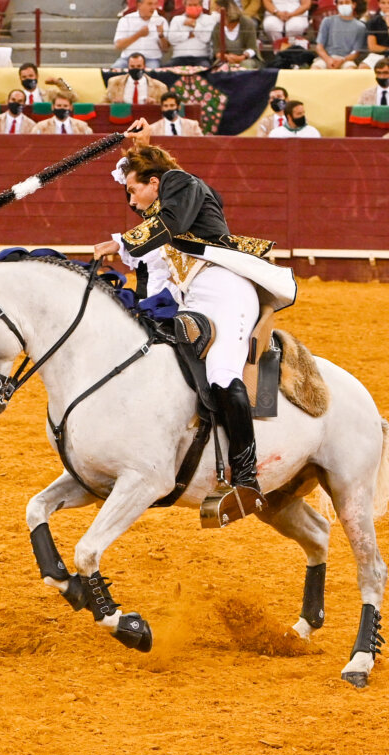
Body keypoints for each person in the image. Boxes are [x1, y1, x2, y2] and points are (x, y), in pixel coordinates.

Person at [92, 126, 298, 509]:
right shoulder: (168, 197)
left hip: (226, 289)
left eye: (133, 190)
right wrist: (141, 148)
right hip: (193, 295)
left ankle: (246, 478)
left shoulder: (180, 182)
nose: (131, 201)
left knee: (222, 374)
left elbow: (168, 221)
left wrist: (122, 242)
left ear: (155, 183)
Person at [112, 0, 168, 68]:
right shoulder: (126, 20)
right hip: (128, 59)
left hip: (151, 59)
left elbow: (165, 49)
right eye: (150, 4)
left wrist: (161, 35)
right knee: (114, 69)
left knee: (152, 71)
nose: (153, 7)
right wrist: (138, 35)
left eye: (155, 4)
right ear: (139, 5)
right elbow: (118, 46)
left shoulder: (161, 21)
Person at [312, 0, 366, 68]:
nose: (344, 5)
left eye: (347, 2)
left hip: (346, 60)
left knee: (351, 69)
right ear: (337, 5)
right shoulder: (327, 21)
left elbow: (356, 52)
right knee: (315, 68)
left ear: (354, 5)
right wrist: (328, 60)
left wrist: (342, 60)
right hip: (325, 58)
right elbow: (319, 47)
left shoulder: (360, 27)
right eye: (341, 3)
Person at [101, 53, 169, 105]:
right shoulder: (114, 82)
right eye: (132, 66)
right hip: (122, 116)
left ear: (144, 67)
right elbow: (103, 104)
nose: (135, 69)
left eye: (139, 66)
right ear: (128, 67)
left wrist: (155, 104)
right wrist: (114, 103)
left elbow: (167, 106)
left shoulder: (159, 86)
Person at [165, 0, 217, 66]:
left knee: (206, 68)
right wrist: (188, 35)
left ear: (201, 5)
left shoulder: (209, 19)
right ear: (185, 6)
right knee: (165, 69)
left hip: (201, 58)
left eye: (195, 5)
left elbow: (206, 38)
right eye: (190, 5)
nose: (193, 7)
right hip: (179, 57)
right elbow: (172, 39)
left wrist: (195, 25)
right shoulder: (177, 19)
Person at [211, 0, 261, 68]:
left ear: (227, 11)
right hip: (226, 59)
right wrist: (228, 57)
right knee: (218, 67)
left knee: (246, 64)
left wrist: (240, 58)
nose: (215, 12)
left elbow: (252, 48)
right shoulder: (217, 27)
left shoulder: (247, 23)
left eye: (217, 9)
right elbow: (217, 51)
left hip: (246, 58)